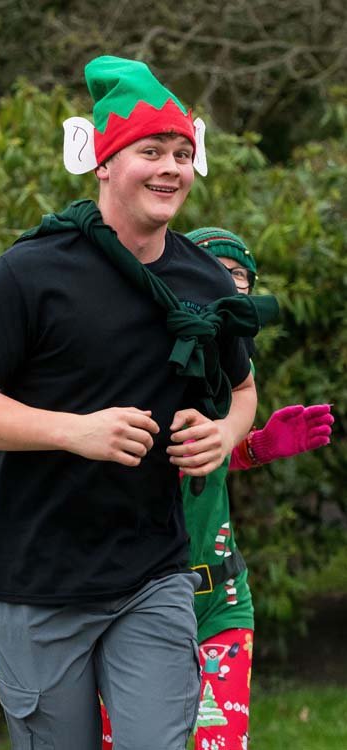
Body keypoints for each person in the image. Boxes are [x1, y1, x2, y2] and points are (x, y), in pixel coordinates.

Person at [0, 57, 278, 750]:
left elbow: (242, 391)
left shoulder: (205, 281)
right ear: (104, 162)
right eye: (151, 151)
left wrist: (223, 432)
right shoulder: (32, 272)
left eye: (181, 153)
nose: (171, 168)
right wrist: (75, 431)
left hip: (153, 576)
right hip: (36, 583)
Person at [100, 227, 332, 750]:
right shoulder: (135, 360)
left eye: (239, 276)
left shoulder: (233, 375)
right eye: (215, 271)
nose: (228, 283)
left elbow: (213, 463)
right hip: (133, 600)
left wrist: (256, 446)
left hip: (221, 602)